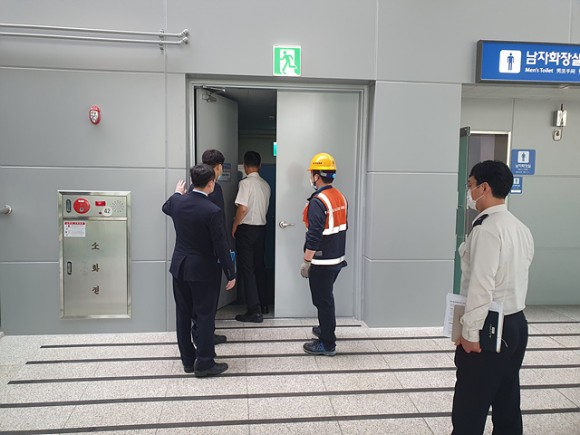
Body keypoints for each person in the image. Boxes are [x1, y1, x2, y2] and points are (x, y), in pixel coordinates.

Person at [452, 160, 534, 434]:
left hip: (489, 326)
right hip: (516, 323)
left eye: (471, 185)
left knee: (469, 408)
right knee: (507, 400)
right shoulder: (520, 228)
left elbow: (481, 286)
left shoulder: (486, 230)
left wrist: (470, 334)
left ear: (484, 187)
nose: (469, 191)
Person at [162, 164, 236, 377]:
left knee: (183, 314)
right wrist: (230, 273)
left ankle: (188, 360)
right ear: (211, 183)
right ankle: (204, 363)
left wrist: (177, 193)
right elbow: (221, 246)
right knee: (204, 315)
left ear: (192, 182)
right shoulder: (212, 211)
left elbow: (166, 207)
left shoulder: (177, 202)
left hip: (180, 267)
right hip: (203, 270)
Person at [300, 153, 348, 356]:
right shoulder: (339, 196)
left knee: (323, 301)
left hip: (322, 261)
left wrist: (307, 261)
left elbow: (314, 235)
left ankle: (327, 343)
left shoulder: (318, 201)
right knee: (326, 298)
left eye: (312, 173)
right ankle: (325, 328)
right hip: (337, 258)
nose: (311, 177)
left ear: (317, 176)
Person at [188, 149, 228, 345]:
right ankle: (203, 336)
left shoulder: (192, 189)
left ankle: (203, 333)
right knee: (207, 299)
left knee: (201, 298)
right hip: (209, 254)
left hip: (196, 252)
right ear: (218, 167)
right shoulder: (213, 190)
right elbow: (218, 225)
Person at [232, 151, 271, 322]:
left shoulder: (245, 183)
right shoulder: (265, 185)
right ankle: (263, 304)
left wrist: (235, 225)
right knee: (259, 266)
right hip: (261, 229)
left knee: (247, 270)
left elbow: (242, 208)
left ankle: (254, 310)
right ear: (260, 166)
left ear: (245, 166)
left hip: (246, 230)